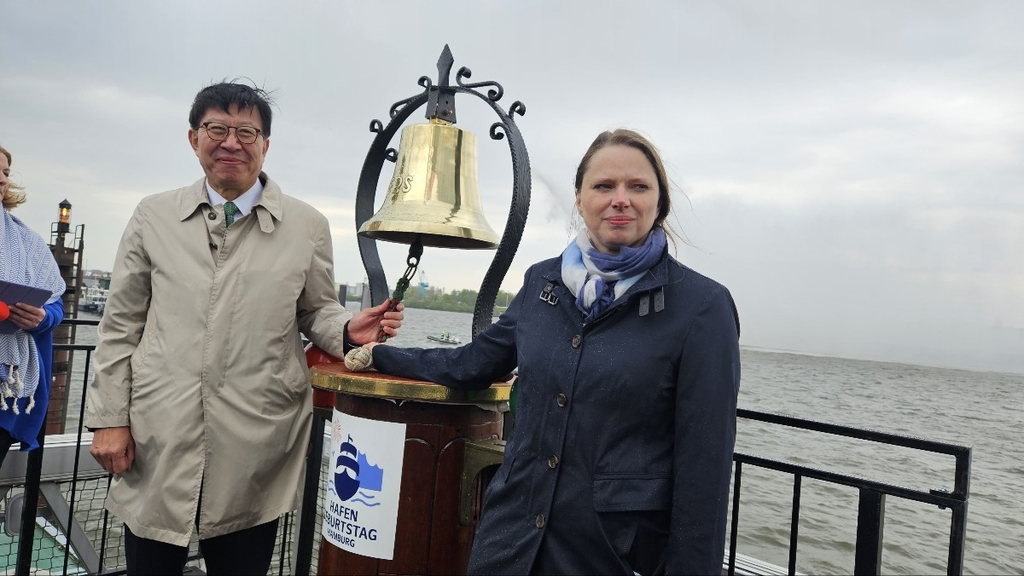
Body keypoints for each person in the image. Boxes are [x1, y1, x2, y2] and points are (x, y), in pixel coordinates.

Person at [363, 129, 741, 574]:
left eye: (638, 187)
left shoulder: (700, 306)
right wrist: (377, 354)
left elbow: (704, 475)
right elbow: (472, 363)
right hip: (510, 544)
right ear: (579, 199)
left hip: (610, 555)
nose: (621, 199)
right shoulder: (543, 281)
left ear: (660, 202)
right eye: (604, 186)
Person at [84, 82, 403, 575]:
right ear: (194, 138)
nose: (231, 142)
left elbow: (316, 310)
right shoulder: (153, 216)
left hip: (257, 433)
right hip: (158, 431)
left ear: (266, 145)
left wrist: (347, 331)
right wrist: (109, 418)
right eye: (217, 128)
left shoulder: (307, 226)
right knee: (149, 564)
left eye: (246, 132)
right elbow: (120, 324)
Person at [0, 144, 66, 466]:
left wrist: (40, 318)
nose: (2, 179)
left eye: (6, 173)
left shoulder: (28, 243)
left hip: (4, 390)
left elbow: (56, 306)